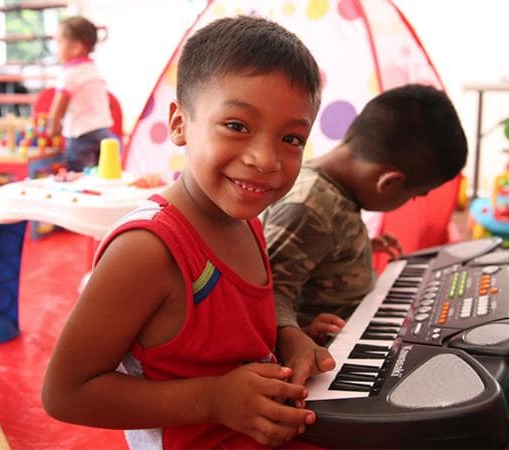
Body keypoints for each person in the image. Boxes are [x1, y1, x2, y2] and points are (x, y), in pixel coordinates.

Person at [42, 16, 324, 449]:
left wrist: (290, 338)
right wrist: (214, 399)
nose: (265, 159)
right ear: (179, 123)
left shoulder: (248, 222)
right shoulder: (147, 250)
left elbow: (233, 338)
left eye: (292, 139)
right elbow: (66, 394)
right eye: (237, 126)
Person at [263, 84, 468, 387]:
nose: (410, 201)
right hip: (328, 365)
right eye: (414, 195)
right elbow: (269, 291)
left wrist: (352, 249)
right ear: (389, 182)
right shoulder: (308, 204)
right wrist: (295, 337)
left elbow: (314, 249)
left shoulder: (331, 194)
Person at [46, 16, 114, 172]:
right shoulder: (93, 70)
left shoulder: (69, 73)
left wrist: (51, 130)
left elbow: (58, 107)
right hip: (103, 131)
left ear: (77, 47)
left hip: (81, 136)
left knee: (78, 175)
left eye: (59, 43)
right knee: (100, 174)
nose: (57, 49)